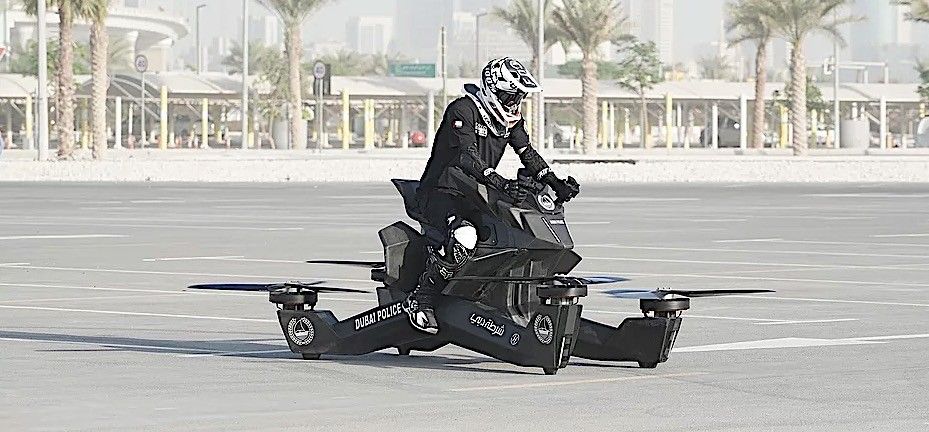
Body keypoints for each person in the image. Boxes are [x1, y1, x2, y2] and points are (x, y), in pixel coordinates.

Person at [404, 57, 580, 334]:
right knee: (465, 236)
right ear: (492, 90)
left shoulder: (511, 120)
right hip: (441, 192)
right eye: (510, 96)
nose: (513, 103)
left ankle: (500, 300)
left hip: (475, 194)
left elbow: (527, 153)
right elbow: (466, 156)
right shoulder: (463, 110)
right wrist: (500, 182)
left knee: (506, 235)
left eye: (518, 97)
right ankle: (421, 299)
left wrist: (555, 182)